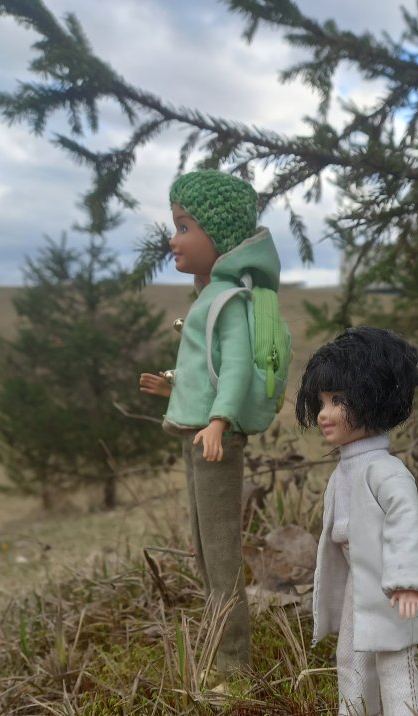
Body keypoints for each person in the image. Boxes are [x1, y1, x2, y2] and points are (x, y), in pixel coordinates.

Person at [140, 170, 282, 685]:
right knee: (203, 547)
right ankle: (218, 649)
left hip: (213, 439)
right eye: (175, 226)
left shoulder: (230, 301)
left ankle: (235, 669)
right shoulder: (209, 296)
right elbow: (208, 366)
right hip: (196, 433)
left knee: (220, 555)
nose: (173, 240)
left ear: (217, 237)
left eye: (183, 227)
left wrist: (220, 420)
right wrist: (172, 388)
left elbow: (238, 369)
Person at [296, 326, 418, 716]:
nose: (324, 413)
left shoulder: (386, 471)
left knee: (396, 657)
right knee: (352, 654)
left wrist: (409, 583)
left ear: (373, 399)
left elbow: (407, 525)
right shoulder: (347, 470)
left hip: (389, 580)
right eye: (321, 402)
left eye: (337, 401)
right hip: (360, 578)